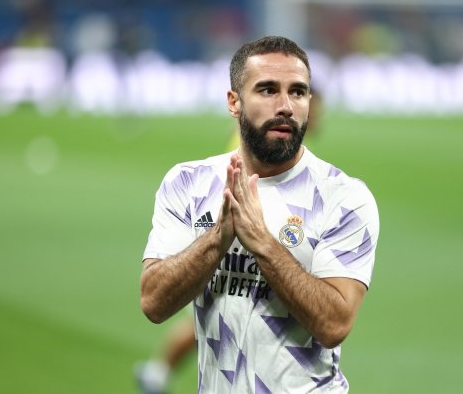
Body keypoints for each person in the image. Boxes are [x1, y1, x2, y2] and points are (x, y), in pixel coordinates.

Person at [139, 36, 379, 393]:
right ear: (234, 102)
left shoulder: (343, 197)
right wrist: (216, 240)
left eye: (297, 92)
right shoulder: (187, 183)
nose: (285, 106)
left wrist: (263, 244)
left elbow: (334, 325)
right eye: (267, 90)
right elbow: (153, 302)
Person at [135, 88, 325, 394]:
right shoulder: (261, 144)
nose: (317, 117)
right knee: (211, 318)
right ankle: (157, 372)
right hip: (237, 231)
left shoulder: (296, 145)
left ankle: (158, 372)